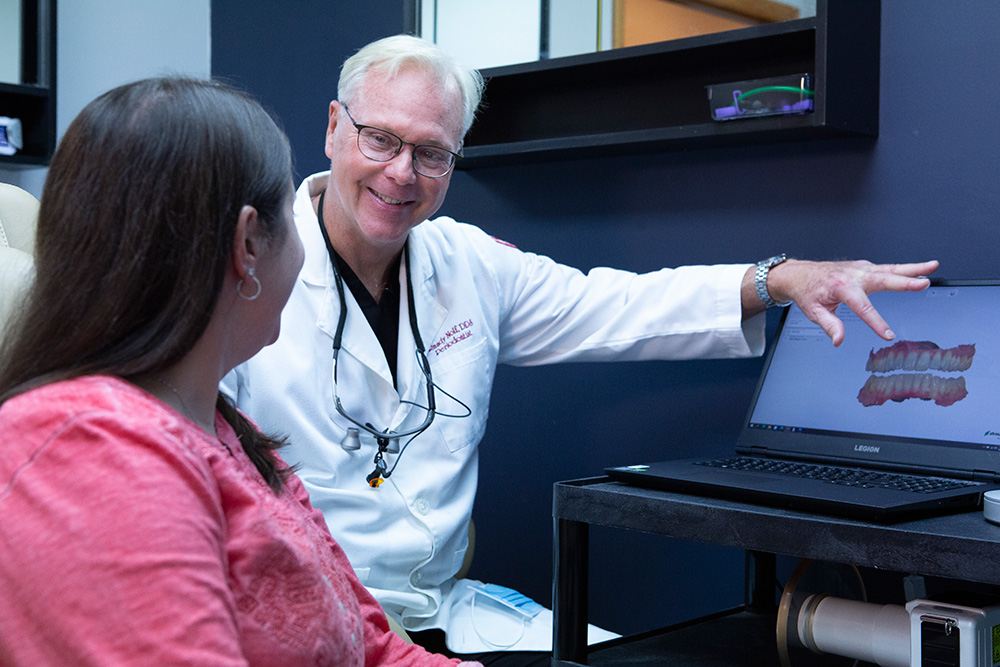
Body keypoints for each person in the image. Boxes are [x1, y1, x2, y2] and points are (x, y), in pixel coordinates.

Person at [221, 35, 938, 664]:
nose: (402, 172)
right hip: (313, 626)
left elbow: (618, 305)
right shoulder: (241, 272)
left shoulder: (469, 263)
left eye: (432, 152)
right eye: (381, 138)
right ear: (333, 129)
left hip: (441, 613)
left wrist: (779, 278)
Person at [0, 76, 481, 667]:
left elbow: (374, 648)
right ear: (248, 244)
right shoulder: (91, 451)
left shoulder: (230, 435)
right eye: (291, 208)